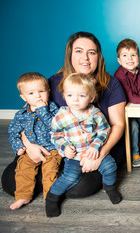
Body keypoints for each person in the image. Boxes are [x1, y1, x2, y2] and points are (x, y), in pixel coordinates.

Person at [1, 31, 127, 199]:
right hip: (55, 147)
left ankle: (52, 180)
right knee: (10, 183)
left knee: (79, 188)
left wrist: (100, 153)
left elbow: (118, 124)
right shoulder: (52, 82)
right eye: (79, 51)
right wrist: (29, 145)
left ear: (99, 56)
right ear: (70, 55)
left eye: (92, 52)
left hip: (90, 149)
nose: (86, 58)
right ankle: (49, 176)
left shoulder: (111, 84)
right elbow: (27, 116)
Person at [46, 73, 121, 217]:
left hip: (94, 152)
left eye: (81, 96)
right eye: (70, 95)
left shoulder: (95, 114)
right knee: (70, 177)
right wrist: (64, 147)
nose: (75, 100)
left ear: (91, 98)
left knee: (110, 166)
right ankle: (52, 197)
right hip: (74, 156)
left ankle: (110, 187)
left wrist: (96, 146)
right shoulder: (61, 116)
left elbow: (105, 129)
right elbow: (55, 135)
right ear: (64, 96)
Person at [7, 72, 61, 210]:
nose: (37, 96)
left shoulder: (53, 109)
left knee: (50, 171)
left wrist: (43, 110)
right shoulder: (21, 115)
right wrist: (18, 146)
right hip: (29, 150)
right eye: (31, 93)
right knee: (23, 170)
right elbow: (13, 132)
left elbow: (56, 127)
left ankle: (50, 198)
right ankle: (23, 196)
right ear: (23, 97)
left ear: (48, 92)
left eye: (41, 91)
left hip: (52, 149)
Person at [114, 38, 140, 168]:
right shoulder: (120, 75)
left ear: (138, 58)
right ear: (119, 60)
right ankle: (134, 154)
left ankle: (135, 143)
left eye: (133, 55)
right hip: (124, 110)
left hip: (136, 108)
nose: (130, 59)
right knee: (134, 127)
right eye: (125, 55)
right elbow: (128, 95)